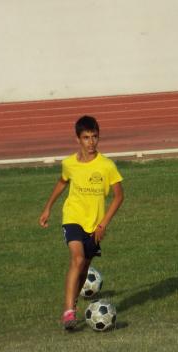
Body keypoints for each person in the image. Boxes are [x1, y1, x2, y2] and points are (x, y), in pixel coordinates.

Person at [39, 115, 124, 330]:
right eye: (86, 137)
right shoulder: (69, 163)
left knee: (85, 265)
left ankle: (74, 302)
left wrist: (103, 224)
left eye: (94, 137)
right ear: (78, 139)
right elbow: (62, 182)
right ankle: (68, 311)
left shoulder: (106, 165)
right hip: (73, 217)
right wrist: (48, 207)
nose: (91, 142)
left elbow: (119, 196)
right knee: (76, 259)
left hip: (94, 224)